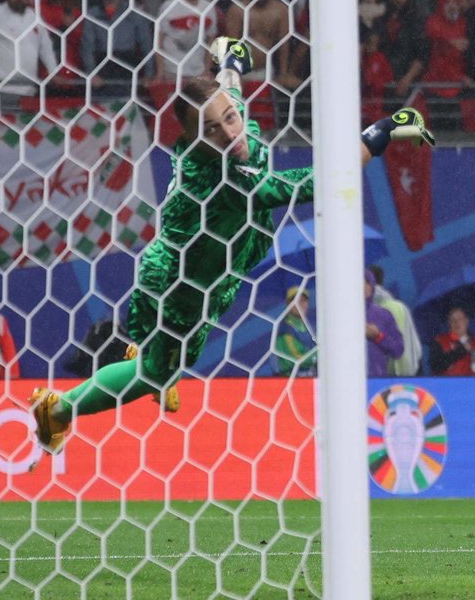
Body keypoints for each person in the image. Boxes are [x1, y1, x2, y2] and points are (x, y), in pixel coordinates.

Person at [29, 37, 436, 456]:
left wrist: (229, 61)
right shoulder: (225, 181)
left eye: (230, 119)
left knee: (167, 358)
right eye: (212, 130)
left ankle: (152, 353)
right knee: (150, 373)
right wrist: (381, 133)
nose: (230, 132)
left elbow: (228, 93)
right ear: (193, 139)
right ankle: (58, 410)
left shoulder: (230, 123)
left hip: (201, 265)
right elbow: (316, 183)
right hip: (181, 286)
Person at [80, 0, 153, 98]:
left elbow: (146, 44)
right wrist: (92, 73)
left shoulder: (134, 13)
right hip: (102, 67)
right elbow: (87, 47)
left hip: (127, 66)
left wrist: (149, 73)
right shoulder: (92, 14)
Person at [154, 0, 218, 82]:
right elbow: (158, 42)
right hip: (172, 70)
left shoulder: (209, 8)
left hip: (198, 71)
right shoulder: (168, 5)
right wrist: (160, 72)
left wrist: (207, 70)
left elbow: (211, 42)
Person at [370, 265, 423, 377]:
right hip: (407, 370)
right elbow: (413, 343)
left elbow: (395, 347)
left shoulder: (364, 309)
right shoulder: (400, 307)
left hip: (380, 374)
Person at [430, 307, 475, 376]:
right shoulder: (440, 341)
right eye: (452, 320)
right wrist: (461, 350)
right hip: (448, 385)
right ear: (449, 323)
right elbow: (435, 367)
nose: (456, 322)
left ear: (466, 321)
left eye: (460, 319)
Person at [364, 270, 403, 377]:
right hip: (345, 383)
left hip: (376, 381)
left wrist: (378, 337)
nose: (364, 287)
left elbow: (398, 350)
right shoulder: (339, 317)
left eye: (367, 283)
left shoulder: (383, 314)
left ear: (372, 287)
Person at [273, 287, 317, 378]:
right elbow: (295, 358)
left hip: (311, 378)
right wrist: (319, 356)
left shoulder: (310, 328)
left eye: (304, 300)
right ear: (288, 304)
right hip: (289, 380)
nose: (300, 304)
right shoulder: (285, 329)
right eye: (296, 300)